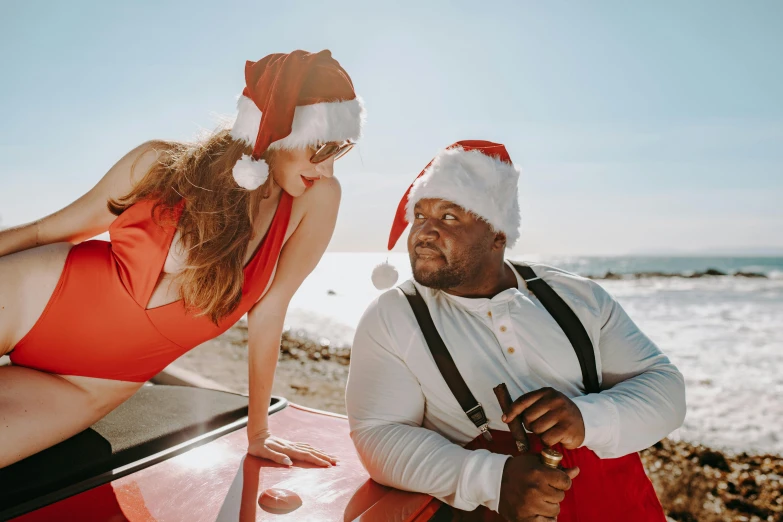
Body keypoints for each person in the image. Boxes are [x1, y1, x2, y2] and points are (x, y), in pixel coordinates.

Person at [0, 49, 365, 469]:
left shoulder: (315, 201)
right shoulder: (160, 165)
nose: (328, 170)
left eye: (341, 150)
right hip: (30, 298)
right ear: (278, 130)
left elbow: (270, 311)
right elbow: (44, 231)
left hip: (88, 386)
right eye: (321, 147)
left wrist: (259, 432)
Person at [346, 141, 686, 521]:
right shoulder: (392, 316)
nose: (424, 232)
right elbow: (379, 434)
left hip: (617, 504)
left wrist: (588, 418)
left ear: (498, 235)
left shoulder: (578, 296)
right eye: (420, 215)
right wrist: (493, 479)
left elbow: (666, 389)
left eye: (449, 217)